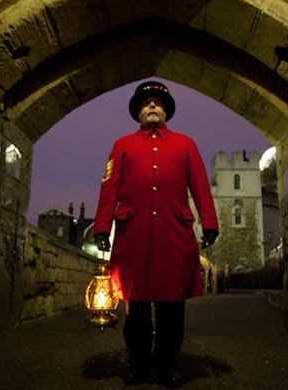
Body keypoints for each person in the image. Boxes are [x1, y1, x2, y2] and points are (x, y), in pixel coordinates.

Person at [93, 81, 219, 388]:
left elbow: (200, 186)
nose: (152, 106)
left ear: (166, 111)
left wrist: (210, 222)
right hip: (132, 234)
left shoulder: (186, 144)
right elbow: (109, 188)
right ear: (138, 111)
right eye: (146, 102)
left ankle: (166, 365)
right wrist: (101, 226)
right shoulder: (122, 145)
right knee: (136, 311)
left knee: (171, 310)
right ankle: (137, 363)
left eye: (158, 103)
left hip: (174, 235)